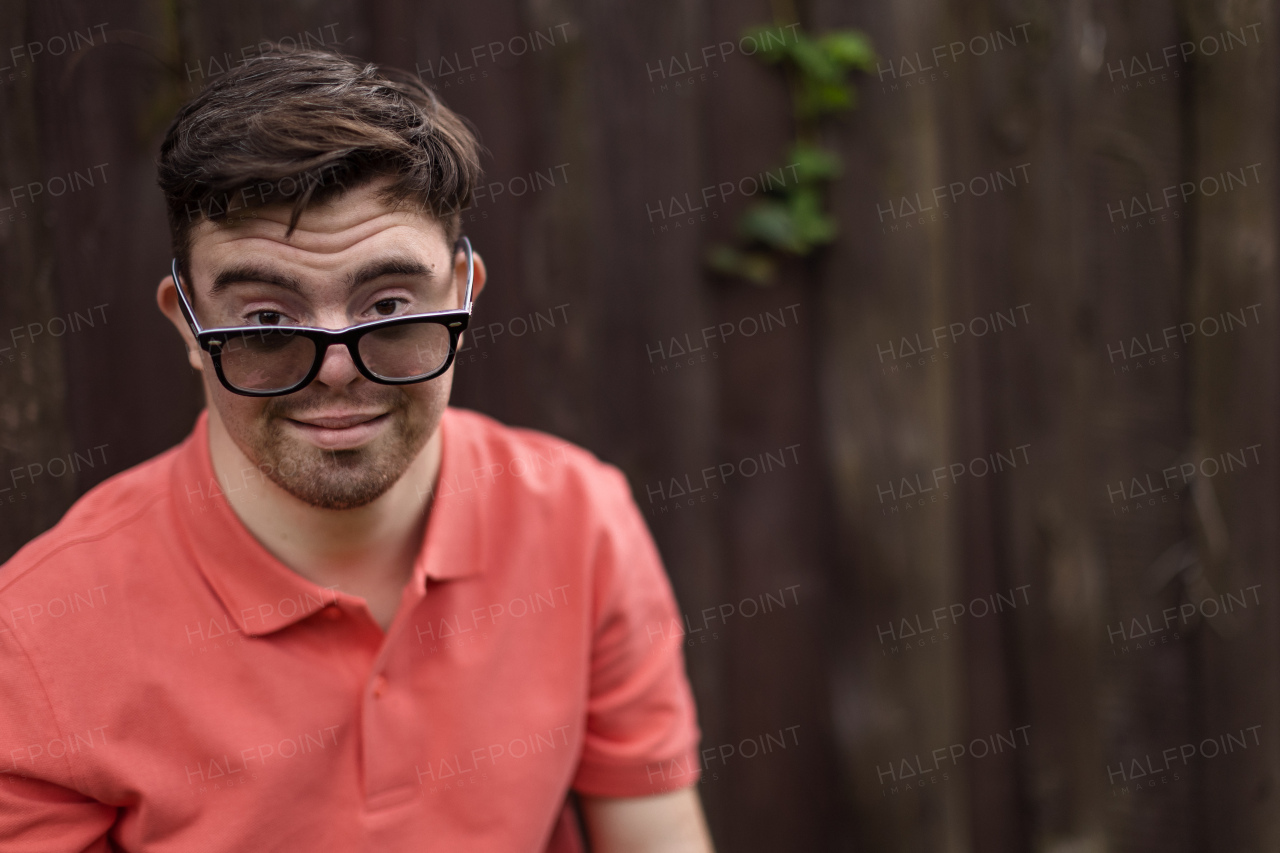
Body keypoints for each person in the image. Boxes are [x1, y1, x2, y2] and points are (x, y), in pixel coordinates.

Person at [0, 47, 713, 852]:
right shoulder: (35, 641)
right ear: (189, 326)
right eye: (268, 320)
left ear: (465, 294)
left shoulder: (581, 520)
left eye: (390, 304)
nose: (336, 370)